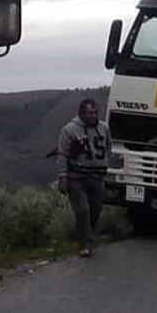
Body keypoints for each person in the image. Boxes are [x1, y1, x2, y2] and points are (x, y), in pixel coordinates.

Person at [57, 99, 111, 257]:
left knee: (96, 209)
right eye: (90, 113)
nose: (94, 116)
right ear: (82, 113)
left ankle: (87, 233)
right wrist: (62, 176)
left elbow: (108, 146)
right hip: (77, 176)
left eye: (96, 112)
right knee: (82, 209)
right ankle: (85, 243)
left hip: (96, 175)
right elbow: (62, 153)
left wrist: (105, 162)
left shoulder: (104, 128)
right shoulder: (69, 130)